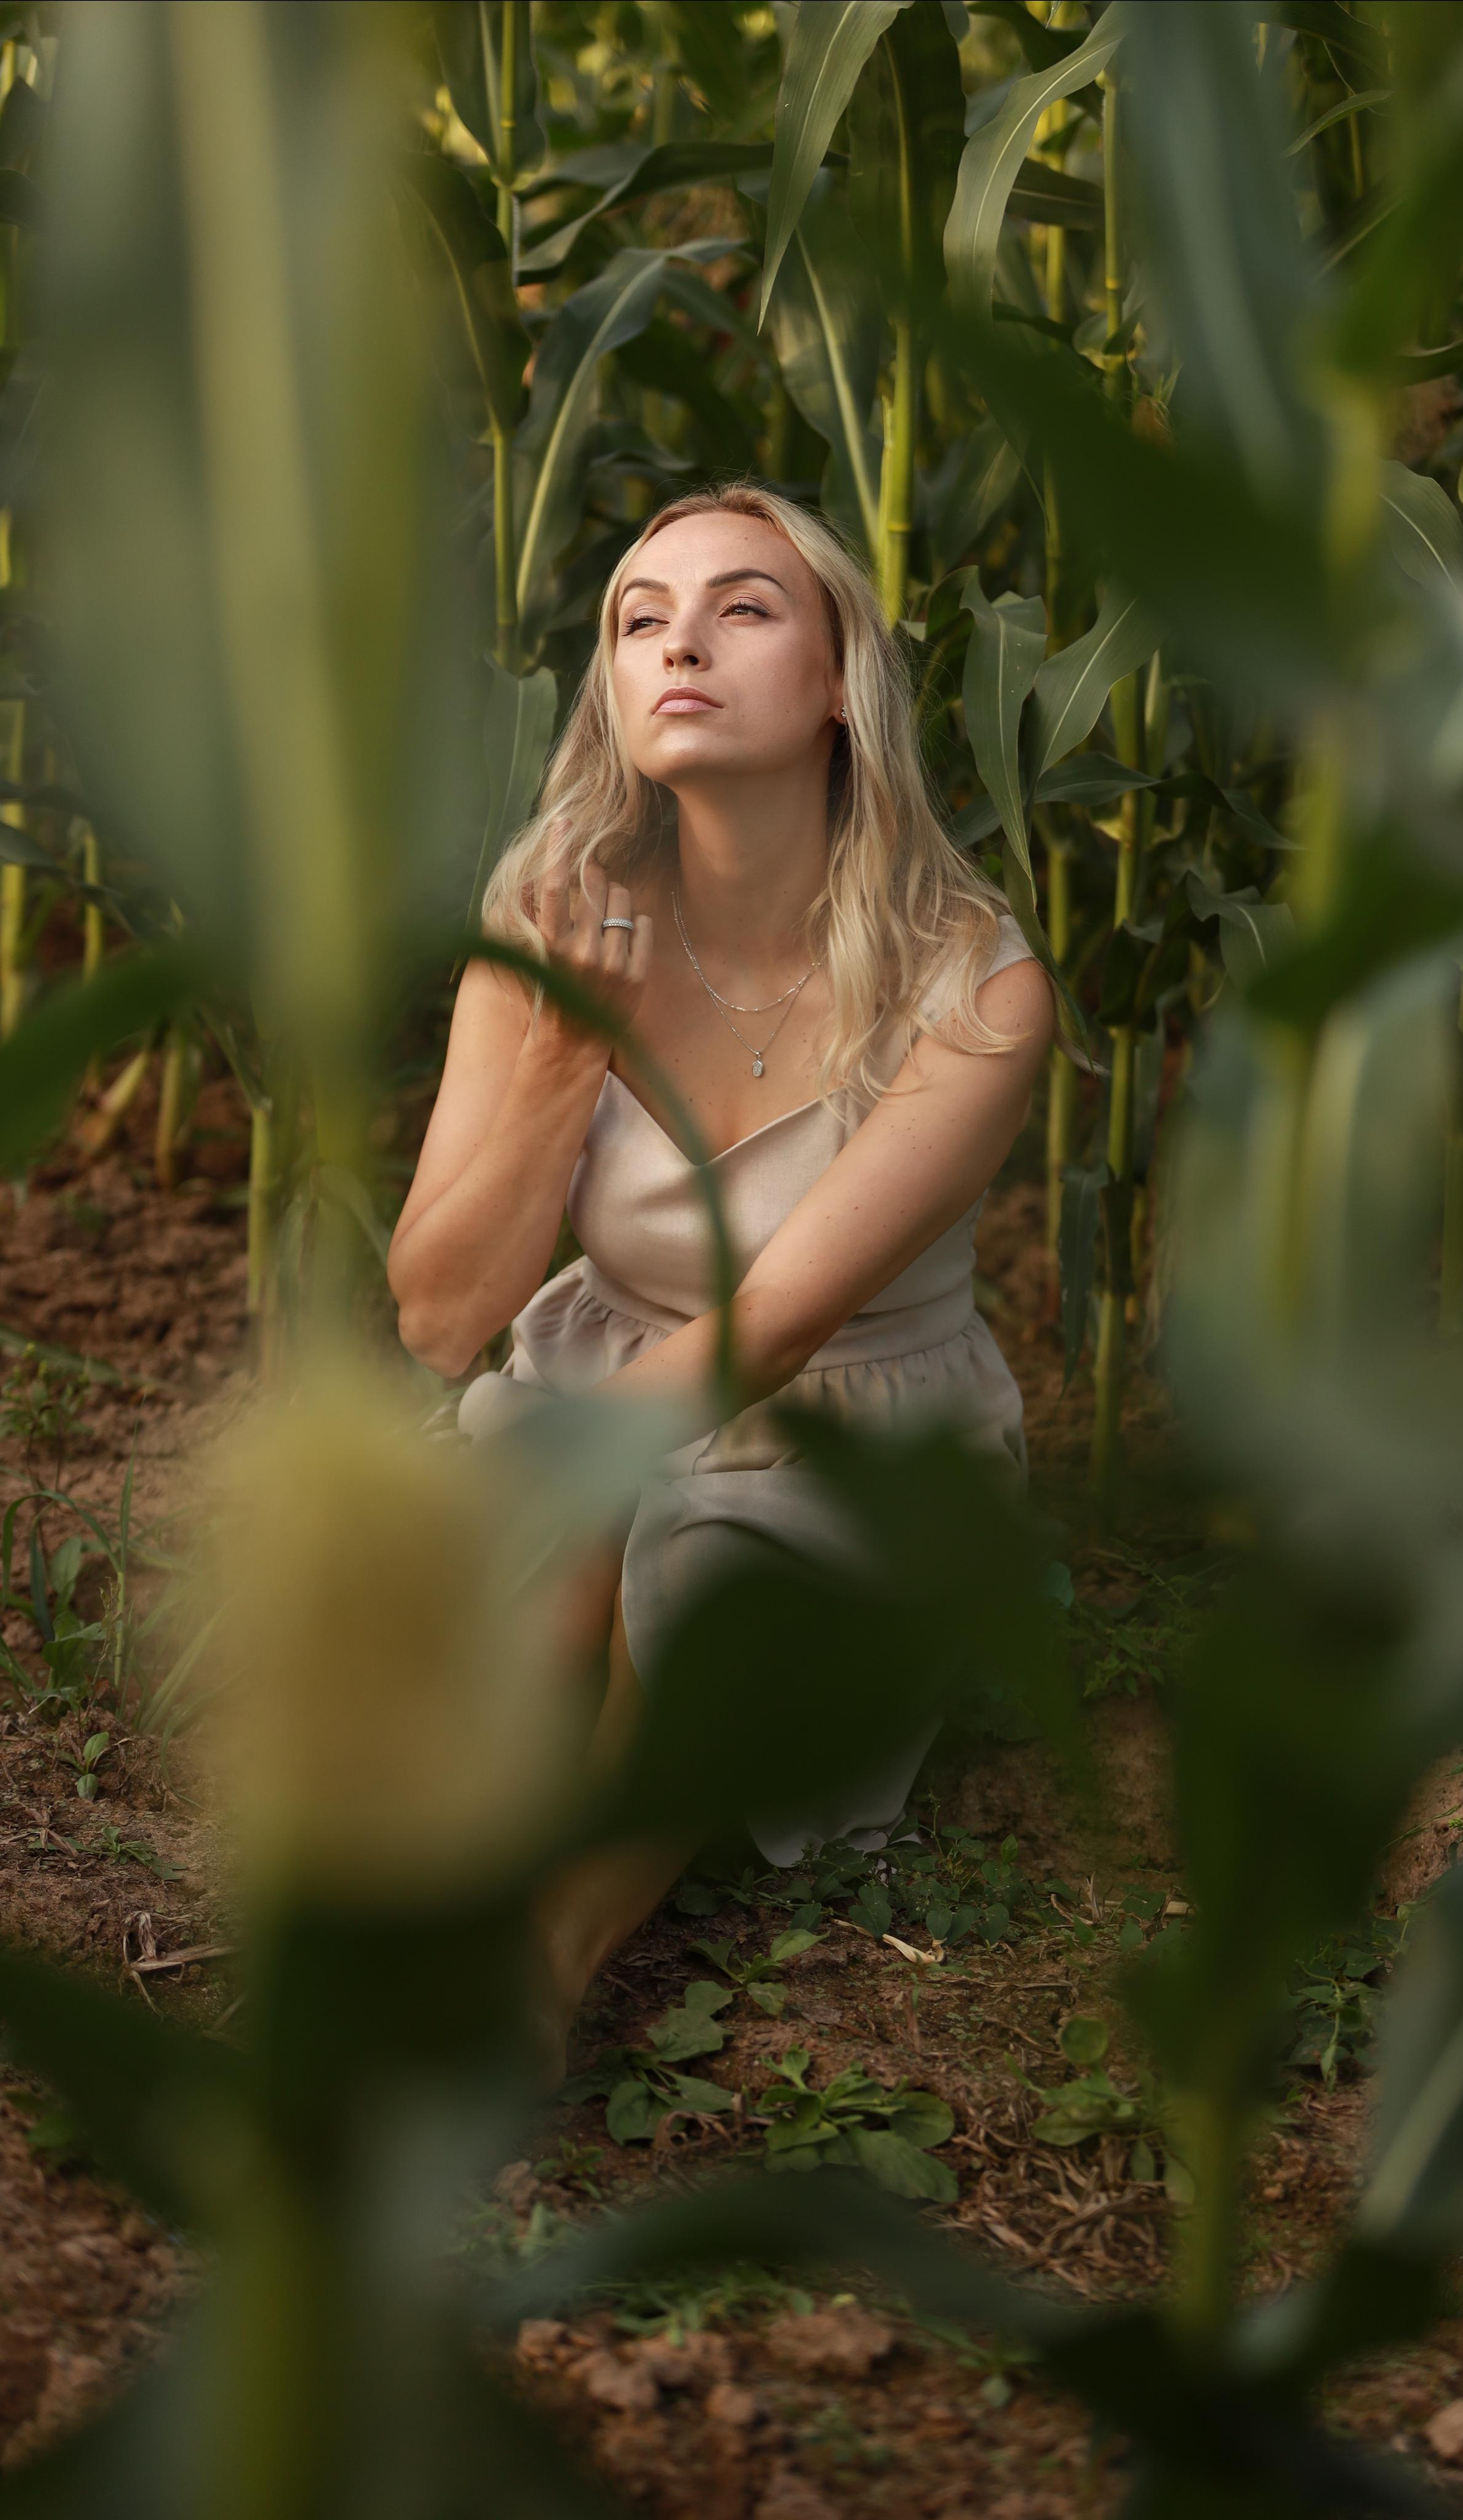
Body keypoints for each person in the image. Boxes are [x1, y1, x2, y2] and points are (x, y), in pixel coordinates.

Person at [387, 484, 1052, 2062]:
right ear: (614, 695)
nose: (679, 639)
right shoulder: (548, 923)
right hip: (590, 1369)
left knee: (686, 1544)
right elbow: (438, 1317)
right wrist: (565, 1057)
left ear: (838, 682)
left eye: (744, 607)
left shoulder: (975, 984)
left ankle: (540, 1971)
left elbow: (779, 1323)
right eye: (639, 618)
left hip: (848, 1428)